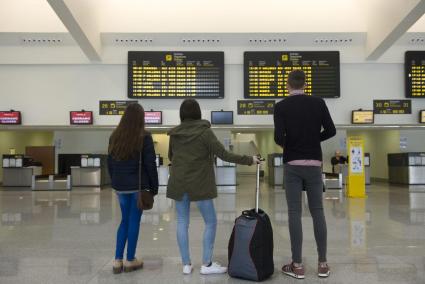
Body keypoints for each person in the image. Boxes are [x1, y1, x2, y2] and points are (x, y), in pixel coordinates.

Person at [167, 98, 260, 275]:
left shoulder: (174, 134)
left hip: (179, 183)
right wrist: (249, 160)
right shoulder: (205, 132)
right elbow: (224, 154)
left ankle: (186, 264)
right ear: (198, 113)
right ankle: (207, 264)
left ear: (181, 114)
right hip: (200, 183)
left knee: (181, 222)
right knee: (210, 222)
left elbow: (171, 156)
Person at [273, 69, 336, 279]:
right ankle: (323, 264)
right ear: (305, 85)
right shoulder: (318, 103)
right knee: (318, 210)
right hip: (314, 164)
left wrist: (291, 143)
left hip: (293, 164)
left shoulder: (281, 106)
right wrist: (313, 139)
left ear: (288, 85)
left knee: (294, 212)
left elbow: (278, 136)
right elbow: (331, 130)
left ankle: (297, 265)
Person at [107, 103, 159, 274]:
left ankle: (117, 260)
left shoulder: (115, 136)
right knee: (134, 221)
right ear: (141, 118)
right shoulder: (144, 136)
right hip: (138, 186)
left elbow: (110, 163)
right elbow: (150, 164)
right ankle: (130, 260)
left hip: (121, 187)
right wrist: (154, 187)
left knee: (124, 220)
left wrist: (115, 182)